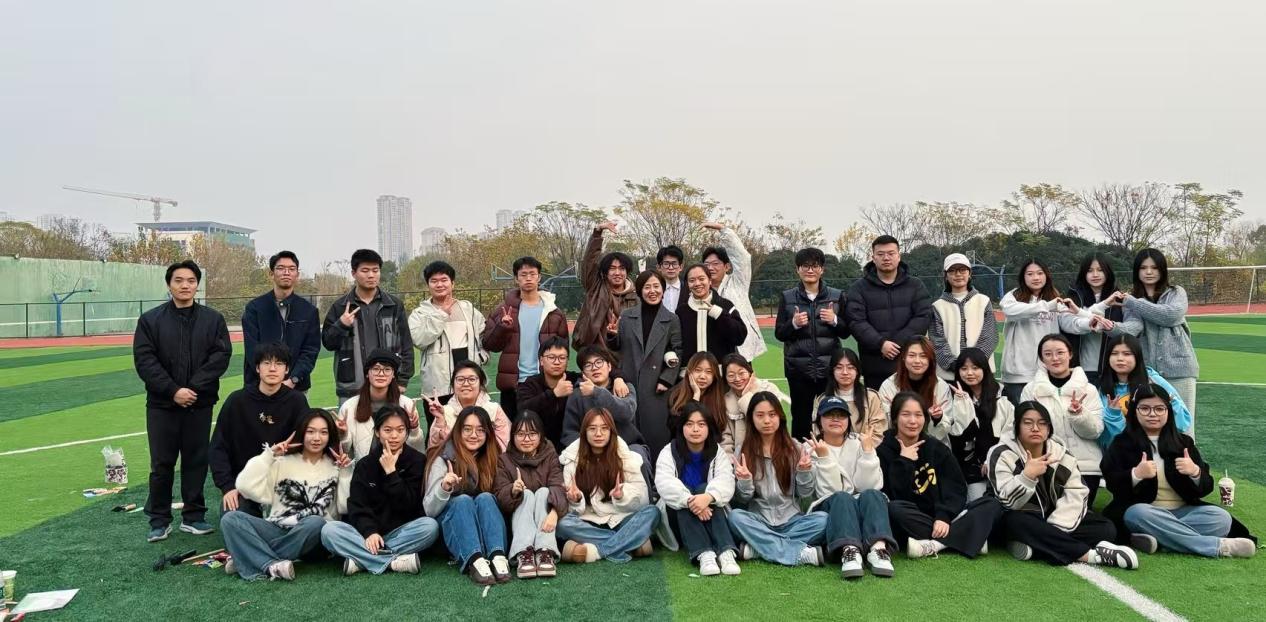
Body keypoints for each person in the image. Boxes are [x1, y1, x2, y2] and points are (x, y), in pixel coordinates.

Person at [133, 260, 232, 542]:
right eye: (178, 280)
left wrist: (193, 388)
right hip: (162, 405)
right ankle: (159, 519)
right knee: (161, 463)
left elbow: (220, 356)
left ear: (197, 285)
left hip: (199, 403)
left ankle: (194, 516)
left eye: (190, 280)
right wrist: (173, 391)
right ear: (169, 285)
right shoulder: (150, 320)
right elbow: (145, 360)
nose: (185, 285)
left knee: (196, 460)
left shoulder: (213, 320)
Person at [1101, 383, 1257, 559]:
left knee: (1221, 518)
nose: (1152, 414)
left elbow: (1206, 487)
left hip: (1184, 512)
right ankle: (1218, 547)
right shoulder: (1122, 443)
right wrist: (1136, 474)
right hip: (1147, 513)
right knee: (1137, 513)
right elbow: (1112, 482)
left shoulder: (1183, 443)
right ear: (1134, 411)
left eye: (1159, 409)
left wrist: (1195, 472)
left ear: (1168, 411)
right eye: (1144, 408)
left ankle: (1160, 539)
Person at [986, 402, 1138, 568]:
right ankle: (1092, 556)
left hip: (1053, 517)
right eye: (1028, 423)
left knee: (1106, 529)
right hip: (1019, 515)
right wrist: (1027, 476)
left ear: (1049, 428)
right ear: (1016, 427)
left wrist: (1056, 527)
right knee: (1016, 523)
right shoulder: (1002, 453)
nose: (1035, 428)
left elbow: (1077, 493)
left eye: (1042, 423)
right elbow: (1007, 501)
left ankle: (1035, 546)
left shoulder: (1062, 455)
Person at [222, 409, 353, 580]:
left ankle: (251, 558)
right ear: (301, 432)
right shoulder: (281, 463)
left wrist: (345, 472)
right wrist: (268, 456)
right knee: (231, 519)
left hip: (314, 537)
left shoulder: (337, 466)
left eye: (323, 432)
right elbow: (244, 486)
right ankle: (269, 564)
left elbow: (344, 507)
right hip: (278, 529)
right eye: (310, 431)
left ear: (330, 436)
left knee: (315, 522)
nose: (316, 438)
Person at [878, 392, 1002, 560]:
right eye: (906, 414)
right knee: (893, 509)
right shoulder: (883, 451)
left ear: (925, 418)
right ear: (894, 418)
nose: (913, 421)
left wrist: (944, 516)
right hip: (914, 518)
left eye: (918, 415)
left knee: (992, 504)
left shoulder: (936, 448)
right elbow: (895, 495)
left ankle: (935, 545)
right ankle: (967, 534)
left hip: (944, 517)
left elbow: (955, 488)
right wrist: (904, 462)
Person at [321, 405, 440, 576]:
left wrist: (392, 473)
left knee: (430, 527)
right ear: (377, 432)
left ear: (407, 432)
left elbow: (410, 505)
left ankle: (362, 560)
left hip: (402, 533)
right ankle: (393, 562)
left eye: (400, 430)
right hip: (367, 536)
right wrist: (370, 532)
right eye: (388, 430)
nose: (394, 436)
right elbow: (357, 505)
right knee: (329, 531)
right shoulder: (365, 464)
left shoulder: (417, 461)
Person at [211, 342, 310, 519]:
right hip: (245, 485)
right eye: (266, 363)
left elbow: (308, 445)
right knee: (232, 518)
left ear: (287, 369)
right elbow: (218, 448)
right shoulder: (237, 401)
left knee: (305, 522)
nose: (272, 368)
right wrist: (228, 487)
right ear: (257, 368)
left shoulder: (297, 402)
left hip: (284, 484)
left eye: (279, 363)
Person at [728, 392, 826, 567]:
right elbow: (742, 499)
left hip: (792, 520)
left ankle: (758, 548)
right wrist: (744, 481)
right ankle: (796, 552)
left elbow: (805, 494)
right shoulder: (743, 451)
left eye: (772, 415)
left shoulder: (795, 448)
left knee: (823, 520)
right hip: (759, 520)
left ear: (780, 417)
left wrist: (804, 472)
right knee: (735, 517)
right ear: (751, 419)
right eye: (760, 415)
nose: (767, 421)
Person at [808, 396, 895, 579]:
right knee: (842, 497)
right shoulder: (810, 448)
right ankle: (849, 550)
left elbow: (869, 485)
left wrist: (868, 452)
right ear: (819, 420)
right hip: (829, 505)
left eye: (841, 415)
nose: (836, 419)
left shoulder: (859, 442)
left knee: (873, 494)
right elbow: (827, 492)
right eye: (829, 415)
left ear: (849, 420)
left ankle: (878, 549)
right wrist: (824, 458)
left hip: (858, 502)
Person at [558, 408, 660, 563]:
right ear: (584, 432)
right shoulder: (572, 459)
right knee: (563, 524)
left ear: (611, 431)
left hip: (620, 519)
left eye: (604, 428)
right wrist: (576, 500)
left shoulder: (625, 456)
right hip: (588, 522)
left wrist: (622, 496)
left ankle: (598, 551)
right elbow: (572, 510)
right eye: (592, 429)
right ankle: (630, 542)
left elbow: (643, 499)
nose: (598, 434)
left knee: (652, 512)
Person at [425, 406, 512, 585]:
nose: (474, 435)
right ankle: (475, 560)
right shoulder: (443, 458)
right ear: (458, 431)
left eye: (480, 430)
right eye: (467, 429)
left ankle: (497, 556)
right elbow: (429, 510)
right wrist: (444, 488)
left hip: (486, 530)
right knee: (462, 501)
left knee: (486, 498)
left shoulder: (495, 457)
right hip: (454, 531)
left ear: (488, 433)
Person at [1116, 248, 1200, 432]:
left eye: (1154, 267)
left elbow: (1170, 315)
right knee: (1150, 426)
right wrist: (1110, 327)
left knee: (1183, 426)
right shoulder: (1131, 300)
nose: (1149, 272)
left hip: (1180, 370)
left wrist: (1133, 302)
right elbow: (1133, 327)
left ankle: (1187, 453)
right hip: (1148, 373)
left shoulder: (1176, 292)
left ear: (1162, 270)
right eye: (1143, 268)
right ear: (1137, 271)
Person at [655, 402, 741, 576]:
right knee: (686, 493)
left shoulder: (717, 451)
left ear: (709, 427)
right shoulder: (669, 451)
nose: (695, 429)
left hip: (711, 513)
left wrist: (707, 497)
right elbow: (664, 482)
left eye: (701, 424)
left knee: (704, 489)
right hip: (678, 516)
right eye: (689, 424)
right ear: (682, 427)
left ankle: (725, 552)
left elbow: (726, 480)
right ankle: (705, 554)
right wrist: (691, 501)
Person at [1019, 334, 1106, 504]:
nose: (1055, 358)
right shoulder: (1031, 390)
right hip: (1047, 464)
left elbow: (1095, 431)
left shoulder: (1088, 389)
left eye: (1060, 352)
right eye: (1048, 354)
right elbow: (1024, 430)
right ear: (1042, 359)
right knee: (1048, 512)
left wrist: (1078, 414)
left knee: (1080, 514)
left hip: (1085, 466)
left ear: (1070, 354)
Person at [321, 249, 414, 407]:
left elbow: (406, 345)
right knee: (351, 424)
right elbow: (328, 343)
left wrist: (402, 380)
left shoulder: (393, 305)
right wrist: (341, 324)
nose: (371, 275)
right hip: (352, 388)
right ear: (354, 273)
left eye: (375, 270)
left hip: (388, 386)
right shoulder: (340, 306)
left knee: (390, 424)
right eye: (365, 270)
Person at [481, 256, 570, 420]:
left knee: (546, 430)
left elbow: (564, 350)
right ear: (516, 278)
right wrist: (502, 327)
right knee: (512, 431)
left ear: (539, 277)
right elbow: (489, 344)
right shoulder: (504, 310)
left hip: (544, 383)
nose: (528, 278)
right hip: (513, 385)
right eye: (523, 274)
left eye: (532, 274)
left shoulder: (553, 312)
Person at [607, 269, 683, 457]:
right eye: (647, 287)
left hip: (657, 387)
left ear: (663, 290)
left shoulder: (671, 319)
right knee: (629, 438)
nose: (652, 291)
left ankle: (658, 472)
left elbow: (678, 350)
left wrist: (666, 379)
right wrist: (612, 336)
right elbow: (618, 348)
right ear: (640, 291)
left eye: (656, 286)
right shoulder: (627, 316)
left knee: (656, 436)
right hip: (629, 384)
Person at [774, 247, 849, 438]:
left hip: (829, 369)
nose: (810, 270)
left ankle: (830, 453)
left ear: (822, 269)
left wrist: (834, 320)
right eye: (805, 266)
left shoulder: (837, 296)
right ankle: (800, 454)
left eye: (815, 266)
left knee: (830, 417)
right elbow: (779, 334)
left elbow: (846, 331)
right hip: (799, 371)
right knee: (801, 420)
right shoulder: (787, 297)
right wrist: (793, 323)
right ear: (797, 269)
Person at [844, 235, 932, 389]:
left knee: (911, 404)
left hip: (909, 364)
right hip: (874, 365)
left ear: (899, 256)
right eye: (881, 254)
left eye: (891, 253)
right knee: (877, 405)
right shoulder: (859, 288)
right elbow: (856, 321)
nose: (886, 258)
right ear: (873, 258)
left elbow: (923, 316)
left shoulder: (915, 285)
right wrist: (881, 343)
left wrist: (898, 343)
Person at [494, 412, 568, 579]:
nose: (526, 439)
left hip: (546, 518)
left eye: (532, 434)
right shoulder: (504, 460)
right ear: (513, 436)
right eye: (521, 434)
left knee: (544, 492)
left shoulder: (550, 455)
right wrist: (512, 490)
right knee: (526, 494)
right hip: (518, 520)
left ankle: (545, 551)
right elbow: (499, 496)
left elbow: (559, 486)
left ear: (540, 435)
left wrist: (554, 513)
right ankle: (523, 553)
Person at [560, 346, 649, 485]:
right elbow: (569, 432)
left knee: (638, 457)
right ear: (583, 373)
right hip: (590, 448)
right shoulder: (576, 395)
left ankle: (645, 498)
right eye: (588, 365)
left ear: (609, 366)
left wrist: (596, 392)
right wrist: (590, 448)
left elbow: (627, 413)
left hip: (627, 445)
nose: (594, 368)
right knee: (570, 461)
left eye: (599, 362)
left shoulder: (623, 387)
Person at [999, 258, 1082, 405]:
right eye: (1030, 274)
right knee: (1020, 415)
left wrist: (1090, 323)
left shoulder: (1054, 298)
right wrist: (1046, 306)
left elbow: (1068, 322)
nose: (1035, 277)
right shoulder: (1014, 296)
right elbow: (1009, 310)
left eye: (1040, 273)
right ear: (1023, 277)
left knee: (1046, 415)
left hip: (1046, 371)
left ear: (1046, 275)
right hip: (1018, 373)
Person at [241, 251, 320, 393]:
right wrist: (269, 381)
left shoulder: (309, 311)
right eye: (281, 268)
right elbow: (252, 349)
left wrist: (293, 380)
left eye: (291, 269)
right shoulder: (255, 308)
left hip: (295, 388)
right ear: (271, 274)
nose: (286, 272)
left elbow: (310, 351)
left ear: (297, 274)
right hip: (259, 388)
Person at [408, 260, 489, 399]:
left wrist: (482, 356)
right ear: (428, 285)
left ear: (452, 283)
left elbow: (484, 334)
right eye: (434, 281)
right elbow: (419, 340)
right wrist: (442, 315)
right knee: (440, 414)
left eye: (444, 280)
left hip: (469, 381)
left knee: (473, 414)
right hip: (438, 386)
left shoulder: (467, 308)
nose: (439, 285)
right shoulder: (419, 313)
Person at [1098, 334, 1193, 447]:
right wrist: (1113, 414)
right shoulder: (1102, 388)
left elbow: (1182, 423)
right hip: (1118, 452)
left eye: (1127, 354)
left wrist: (1170, 402)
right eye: (1114, 353)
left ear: (1137, 357)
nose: (1120, 358)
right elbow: (1105, 434)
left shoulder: (1153, 381)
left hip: (1154, 450)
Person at [946, 348, 1013, 501]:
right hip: (967, 467)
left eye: (975, 368)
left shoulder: (1001, 393)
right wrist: (962, 403)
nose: (969, 373)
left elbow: (1009, 431)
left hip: (998, 463)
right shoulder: (952, 394)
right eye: (964, 368)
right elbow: (957, 432)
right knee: (977, 503)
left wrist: (992, 459)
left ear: (984, 369)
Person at [336, 349, 425, 463]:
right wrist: (342, 435)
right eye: (376, 369)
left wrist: (414, 429)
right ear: (367, 373)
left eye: (387, 369)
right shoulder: (349, 407)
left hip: (400, 468)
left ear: (393, 374)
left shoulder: (406, 405)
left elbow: (417, 449)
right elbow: (344, 452)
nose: (381, 374)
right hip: (365, 469)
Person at [701, 221, 766, 362]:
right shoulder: (701, 289)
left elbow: (742, 257)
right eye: (706, 264)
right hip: (713, 348)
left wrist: (723, 230)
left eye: (715, 264)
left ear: (727, 266)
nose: (710, 268)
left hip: (740, 348)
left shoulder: (738, 282)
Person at [928, 253, 996, 381]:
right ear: (946, 276)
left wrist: (975, 363)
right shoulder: (937, 306)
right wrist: (954, 365)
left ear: (969, 273)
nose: (958, 274)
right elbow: (937, 341)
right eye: (952, 271)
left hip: (981, 373)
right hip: (949, 376)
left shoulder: (984, 301)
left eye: (962, 270)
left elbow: (989, 336)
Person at [1061, 253, 1126, 386]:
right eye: (1090, 271)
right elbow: (1068, 324)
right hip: (1081, 368)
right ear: (1083, 273)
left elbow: (1122, 329)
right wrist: (1103, 306)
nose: (1095, 275)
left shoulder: (1120, 299)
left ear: (1108, 272)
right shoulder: (1073, 297)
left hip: (1113, 368)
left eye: (1100, 270)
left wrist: (1081, 313)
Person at [573, 221, 639, 351]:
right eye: (612, 268)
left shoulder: (636, 297)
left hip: (622, 353)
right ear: (605, 272)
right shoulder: (595, 287)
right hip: (594, 351)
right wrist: (598, 232)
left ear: (627, 271)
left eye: (622, 268)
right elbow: (589, 262)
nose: (617, 273)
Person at [877, 337, 957, 442]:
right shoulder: (889, 385)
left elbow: (947, 425)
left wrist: (937, 418)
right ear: (903, 358)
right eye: (912, 355)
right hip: (898, 442)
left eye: (923, 356)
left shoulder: (941, 385)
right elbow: (884, 423)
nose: (917, 361)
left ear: (930, 360)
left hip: (933, 443)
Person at [424, 361, 511, 452]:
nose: (466, 384)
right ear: (453, 384)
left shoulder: (494, 409)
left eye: (472, 379)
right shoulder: (444, 412)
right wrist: (440, 422)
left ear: (481, 383)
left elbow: (504, 445)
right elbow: (434, 449)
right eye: (460, 379)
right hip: (454, 460)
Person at [516, 337, 582, 449]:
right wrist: (554, 394)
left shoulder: (575, 379)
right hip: (538, 445)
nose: (557, 362)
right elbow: (523, 409)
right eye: (551, 357)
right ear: (541, 360)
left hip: (571, 446)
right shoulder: (530, 384)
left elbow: (599, 374)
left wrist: (616, 378)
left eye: (562, 358)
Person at [675, 263, 748, 362]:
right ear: (687, 284)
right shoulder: (681, 311)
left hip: (720, 370)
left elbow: (739, 337)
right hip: (691, 370)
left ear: (709, 281)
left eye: (701, 279)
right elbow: (676, 343)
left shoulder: (725, 305)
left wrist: (719, 314)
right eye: (692, 280)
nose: (697, 283)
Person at [720, 354, 791, 453]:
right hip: (742, 456)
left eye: (741, 373)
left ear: (750, 372)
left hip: (772, 452)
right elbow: (726, 438)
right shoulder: (725, 401)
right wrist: (729, 459)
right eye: (731, 375)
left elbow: (769, 424)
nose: (737, 379)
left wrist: (746, 397)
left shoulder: (768, 389)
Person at [812, 349, 886, 436]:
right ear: (832, 371)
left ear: (857, 371)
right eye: (839, 368)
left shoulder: (871, 397)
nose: (845, 372)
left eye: (850, 367)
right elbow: (818, 432)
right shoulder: (823, 399)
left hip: (865, 444)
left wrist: (862, 444)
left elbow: (878, 433)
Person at [667, 352, 728, 435]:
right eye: (698, 370)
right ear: (689, 372)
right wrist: (696, 396)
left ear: (714, 376)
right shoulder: (676, 395)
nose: (702, 376)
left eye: (709, 372)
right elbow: (676, 430)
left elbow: (718, 429)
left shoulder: (719, 397)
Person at [657, 245, 686, 313]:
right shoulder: (653, 290)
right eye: (666, 264)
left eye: (674, 263)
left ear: (681, 267)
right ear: (659, 267)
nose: (671, 268)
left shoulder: (688, 289)